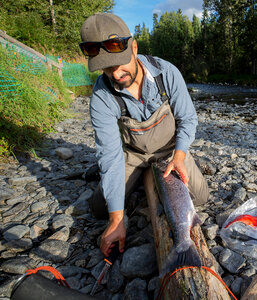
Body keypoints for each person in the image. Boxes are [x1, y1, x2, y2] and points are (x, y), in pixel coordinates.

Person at [79, 13, 209, 257]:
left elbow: (188, 119)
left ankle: (154, 174)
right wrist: (117, 220)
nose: (116, 75)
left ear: (134, 47)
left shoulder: (167, 73)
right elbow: (110, 153)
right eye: (107, 69)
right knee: (100, 209)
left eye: (119, 65)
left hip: (171, 151)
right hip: (133, 154)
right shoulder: (101, 96)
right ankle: (142, 175)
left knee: (201, 197)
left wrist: (179, 156)